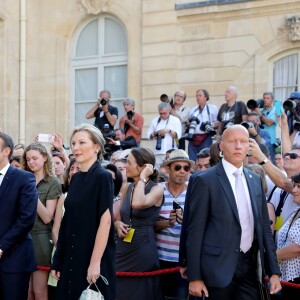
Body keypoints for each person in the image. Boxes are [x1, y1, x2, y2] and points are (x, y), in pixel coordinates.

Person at [182, 125, 282, 299]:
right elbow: (194, 230)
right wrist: (195, 276)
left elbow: (265, 228)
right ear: (221, 146)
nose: (238, 146)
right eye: (232, 141)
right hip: (215, 269)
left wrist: (274, 271)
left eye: (243, 141)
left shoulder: (255, 180)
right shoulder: (204, 180)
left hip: (250, 269)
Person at [51, 124, 116, 300]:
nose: (76, 147)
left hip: (92, 256)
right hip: (71, 256)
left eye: (82, 142)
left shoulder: (103, 177)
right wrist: (58, 258)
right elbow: (67, 221)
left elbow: (106, 222)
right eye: (73, 143)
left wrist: (95, 263)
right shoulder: (76, 178)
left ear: (96, 147)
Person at [114, 147, 164, 300]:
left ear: (144, 167)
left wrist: (142, 178)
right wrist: (117, 225)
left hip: (143, 250)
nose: (126, 166)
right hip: (123, 247)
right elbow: (119, 216)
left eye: (129, 163)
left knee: (139, 294)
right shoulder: (128, 186)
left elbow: (138, 203)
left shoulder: (157, 189)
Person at [21, 142, 62, 300]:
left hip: (41, 238)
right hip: (23, 237)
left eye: (35, 158)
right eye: (28, 159)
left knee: (39, 290)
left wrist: (31, 192)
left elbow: (47, 217)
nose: (31, 162)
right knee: (27, 291)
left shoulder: (53, 182)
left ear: (45, 158)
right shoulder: (24, 179)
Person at [0, 132, 38, 300]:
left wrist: (1, 247)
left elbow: (26, 219)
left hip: (13, 260)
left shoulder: (24, 178)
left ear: (6, 151)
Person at [155, 149, 194, 299]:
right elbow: (148, 224)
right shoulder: (158, 190)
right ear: (167, 169)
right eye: (177, 167)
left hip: (184, 260)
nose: (182, 171)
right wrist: (167, 223)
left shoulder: (194, 190)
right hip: (159, 259)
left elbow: (201, 226)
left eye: (186, 168)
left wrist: (186, 222)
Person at [276, 173, 300, 299]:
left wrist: (272, 257)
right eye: (294, 186)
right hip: (288, 278)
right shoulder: (297, 210)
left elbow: (298, 248)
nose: (294, 190)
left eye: (299, 187)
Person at [147, 102, 182, 168]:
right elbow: (148, 136)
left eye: (164, 113)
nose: (162, 115)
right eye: (161, 113)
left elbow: (178, 136)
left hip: (171, 151)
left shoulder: (176, 120)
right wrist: (154, 134)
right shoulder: (155, 120)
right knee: (158, 171)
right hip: (158, 151)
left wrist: (168, 131)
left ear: (169, 110)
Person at [187, 89, 219, 162]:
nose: (198, 97)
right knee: (192, 159)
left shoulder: (213, 109)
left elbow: (218, 123)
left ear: (206, 97)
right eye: (197, 96)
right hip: (193, 137)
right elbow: (188, 123)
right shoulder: (193, 110)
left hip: (206, 136)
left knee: (205, 158)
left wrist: (210, 126)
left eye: (200, 95)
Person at [251, 92, 277, 161]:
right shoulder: (261, 110)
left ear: (272, 100)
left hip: (270, 141)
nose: (265, 100)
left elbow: (269, 123)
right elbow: (251, 119)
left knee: (269, 161)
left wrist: (258, 112)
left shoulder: (276, 110)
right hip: (258, 138)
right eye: (264, 98)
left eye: (268, 98)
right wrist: (254, 107)